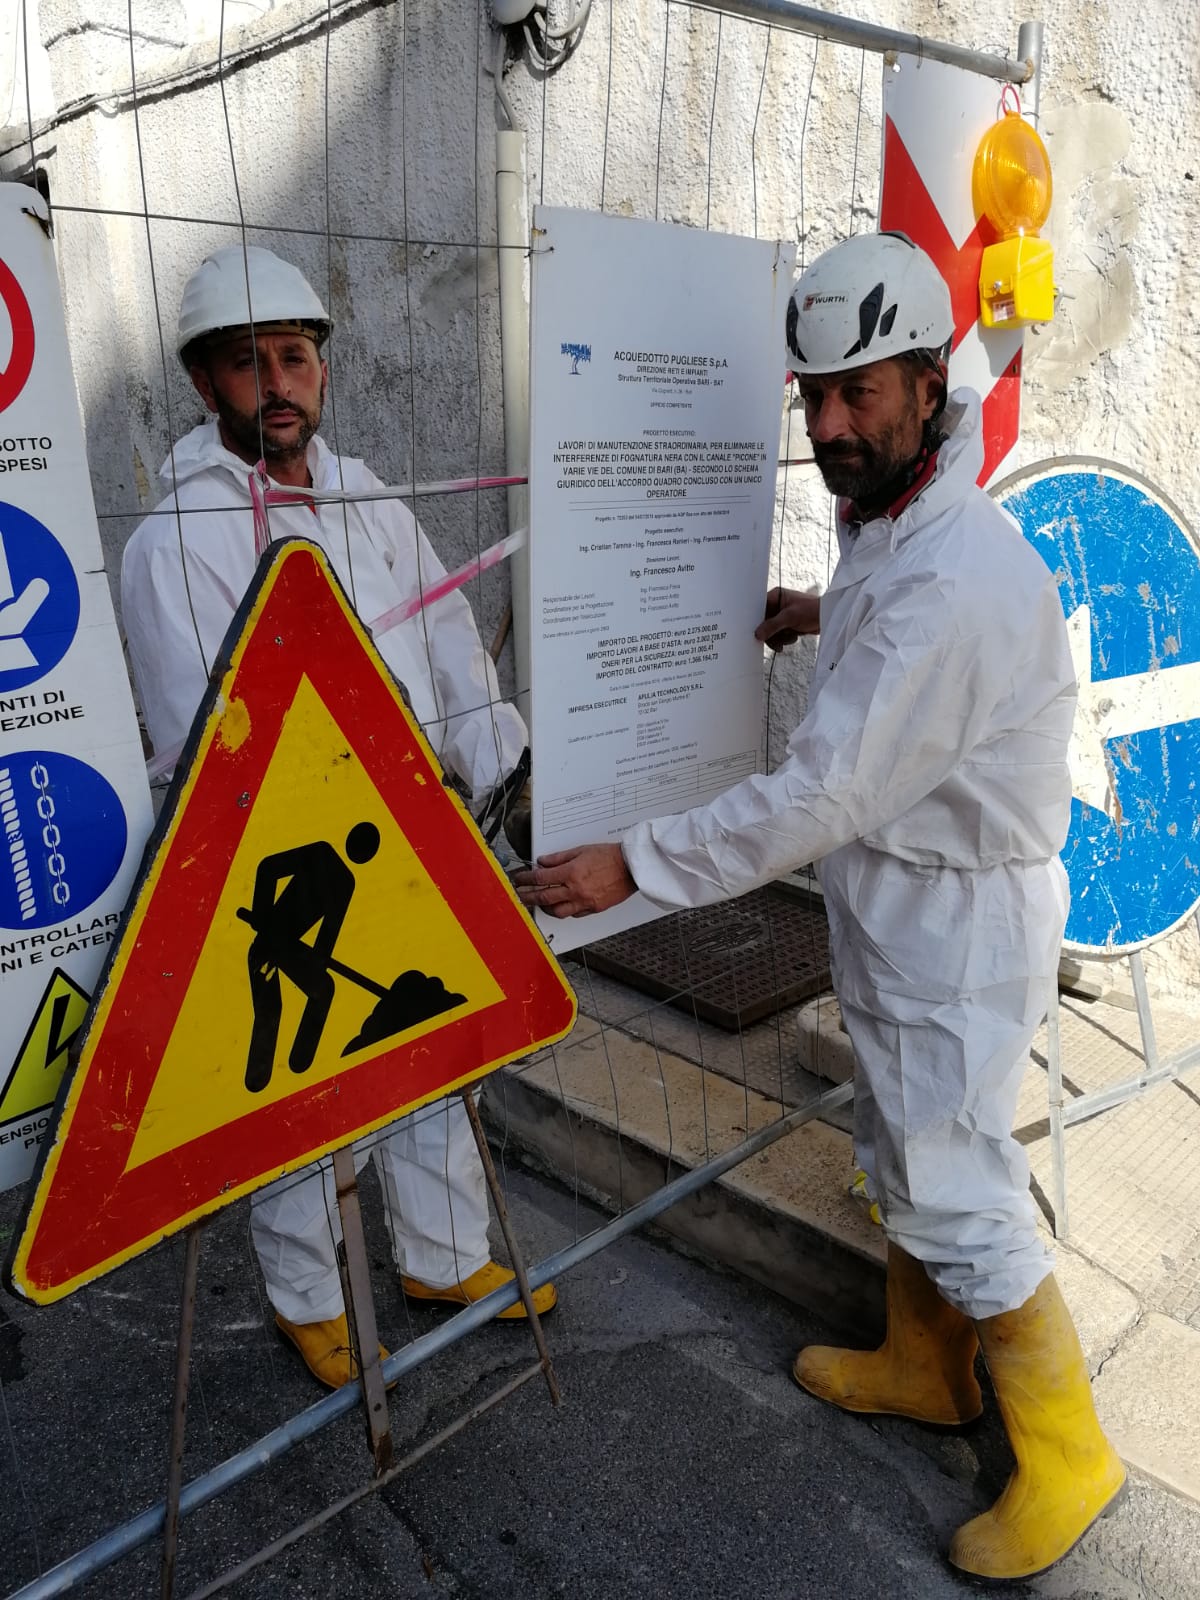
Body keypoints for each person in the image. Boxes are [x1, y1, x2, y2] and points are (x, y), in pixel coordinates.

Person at [515, 232, 1125, 1582]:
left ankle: (1071, 1453)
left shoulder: (948, 586)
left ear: (924, 384)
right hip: (914, 912)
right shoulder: (905, 532)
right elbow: (882, 635)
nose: (832, 424)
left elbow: (819, 791)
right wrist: (815, 611)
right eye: (815, 397)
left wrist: (638, 864)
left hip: (953, 931)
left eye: (860, 394)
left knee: (960, 1186)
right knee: (907, 1152)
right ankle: (926, 1363)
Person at [121, 244, 555, 1390]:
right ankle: (310, 1296)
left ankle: (446, 1256)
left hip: (416, 834)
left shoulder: (368, 500)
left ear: (324, 369)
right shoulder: (173, 541)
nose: (277, 382)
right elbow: (202, 734)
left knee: (431, 1043)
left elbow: (454, 650)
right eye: (247, 362)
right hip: (289, 860)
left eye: (296, 356)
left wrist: (504, 770)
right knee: (304, 1081)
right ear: (206, 384)